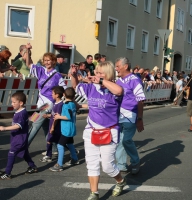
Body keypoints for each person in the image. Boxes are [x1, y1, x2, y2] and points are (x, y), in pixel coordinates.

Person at [71, 61, 126, 198]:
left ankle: (120, 181)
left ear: (108, 74)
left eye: (101, 73)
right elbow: (75, 86)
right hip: (91, 131)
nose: (96, 75)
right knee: (92, 164)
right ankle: (94, 193)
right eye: (96, 72)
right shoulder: (90, 88)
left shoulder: (114, 89)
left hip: (110, 131)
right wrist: (73, 75)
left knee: (107, 166)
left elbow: (119, 91)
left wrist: (101, 80)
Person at [26, 47, 67, 151]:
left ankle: (23, 147)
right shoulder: (41, 71)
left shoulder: (57, 75)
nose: (47, 62)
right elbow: (29, 64)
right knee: (45, 127)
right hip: (40, 103)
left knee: (34, 123)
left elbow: (64, 89)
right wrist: (27, 51)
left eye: (49, 60)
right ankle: (54, 149)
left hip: (48, 104)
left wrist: (63, 102)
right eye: (45, 60)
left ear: (53, 61)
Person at [115, 57, 145, 175]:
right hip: (118, 115)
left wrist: (140, 119)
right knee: (119, 140)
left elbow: (140, 100)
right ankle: (121, 165)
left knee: (126, 140)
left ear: (125, 66)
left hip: (130, 115)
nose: (116, 69)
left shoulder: (134, 80)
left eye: (118, 66)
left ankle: (135, 161)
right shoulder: (118, 81)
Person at [0, 92, 38, 180]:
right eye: (12, 102)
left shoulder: (21, 113)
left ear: (20, 103)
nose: (12, 104)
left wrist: (4, 128)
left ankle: (8, 173)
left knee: (11, 154)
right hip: (20, 138)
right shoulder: (21, 111)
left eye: (14, 102)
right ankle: (32, 166)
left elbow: (18, 126)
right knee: (24, 153)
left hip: (19, 139)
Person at [49, 87, 79, 171]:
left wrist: (58, 116)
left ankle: (59, 164)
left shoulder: (66, 105)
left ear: (64, 95)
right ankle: (75, 159)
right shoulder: (73, 104)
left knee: (60, 145)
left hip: (66, 129)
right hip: (71, 128)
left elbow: (68, 117)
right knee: (70, 144)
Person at [39, 86, 64, 163]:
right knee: (59, 141)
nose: (51, 94)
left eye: (53, 93)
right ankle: (73, 151)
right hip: (52, 125)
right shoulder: (54, 103)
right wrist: (48, 115)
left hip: (55, 126)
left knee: (49, 140)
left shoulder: (60, 105)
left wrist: (53, 127)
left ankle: (48, 156)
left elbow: (57, 117)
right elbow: (53, 114)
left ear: (57, 95)